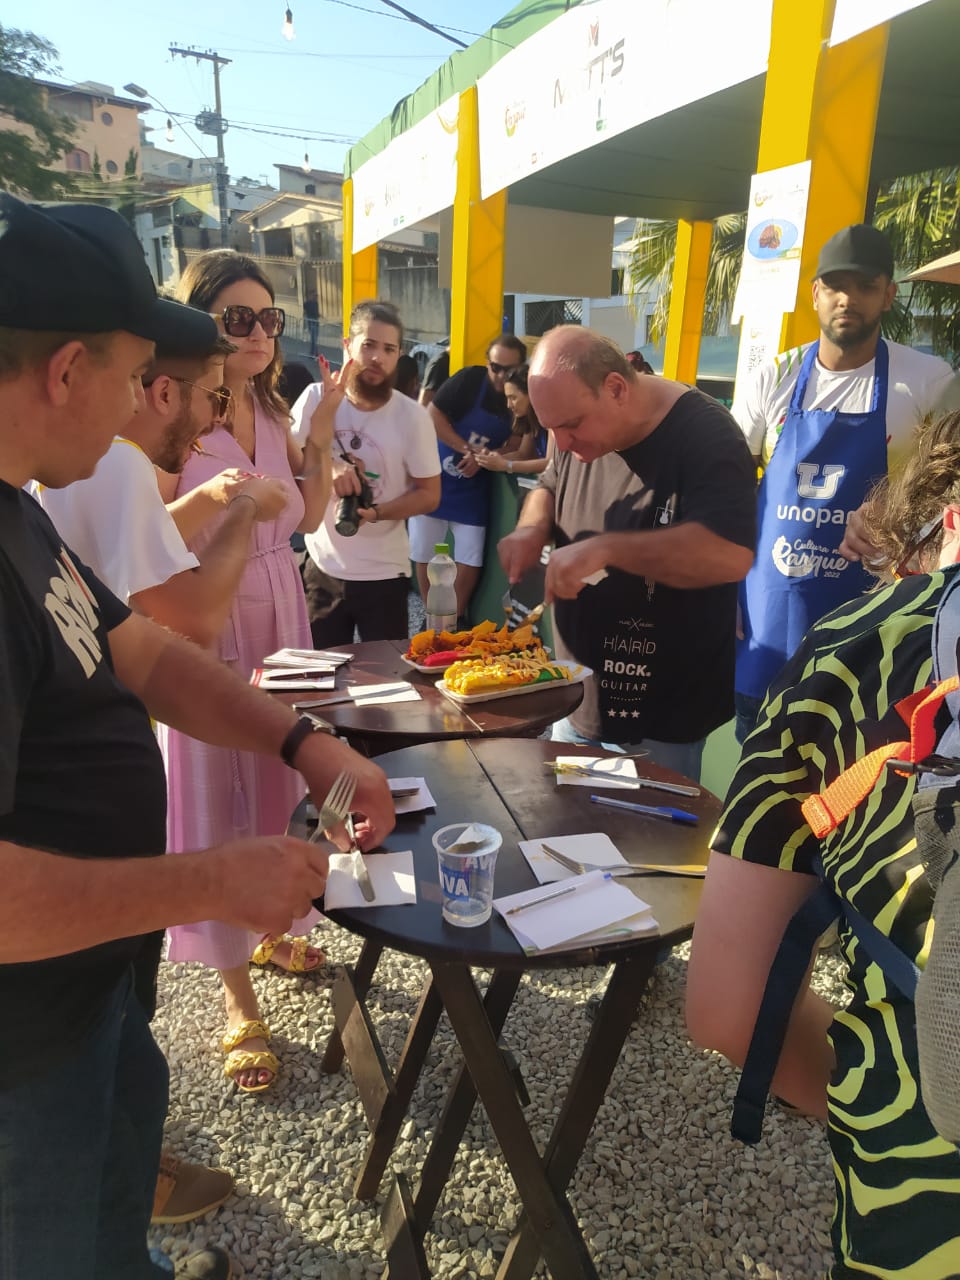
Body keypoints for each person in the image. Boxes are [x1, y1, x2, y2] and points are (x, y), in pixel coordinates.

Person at [0, 193, 393, 1280]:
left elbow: (139, 648)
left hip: (83, 991)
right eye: (137, 377)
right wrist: (208, 877)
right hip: (19, 1043)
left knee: (114, 1198)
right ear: (67, 370)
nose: (149, 406)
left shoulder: (21, 507)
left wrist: (307, 745)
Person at [687, 410, 960, 1280]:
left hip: (923, 1201)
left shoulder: (867, 643)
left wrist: (869, 1094)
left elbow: (727, 1008)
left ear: (943, 517)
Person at [157, 250, 337, 1095]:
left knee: (274, 782)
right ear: (200, 322)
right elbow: (145, 530)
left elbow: (311, 512)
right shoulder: (170, 414)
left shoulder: (270, 408)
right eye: (238, 318)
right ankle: (236, 997)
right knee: (213, 791)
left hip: (282, 613)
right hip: (210, 612)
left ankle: (265, 924)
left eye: (270, 319)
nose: (260, 333)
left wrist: (325, 427)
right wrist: (221, 503)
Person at [498, 326, 756, 782]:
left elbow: (730, 555)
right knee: (563, 835)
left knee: (647, 850)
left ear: (616, 387)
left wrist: (607, 549)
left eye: (572, 426)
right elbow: (549, 485)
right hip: (575, 695)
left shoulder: (707, 435)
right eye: (552, 429)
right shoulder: (568, 426)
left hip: (662, 719)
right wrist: (531, 528)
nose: (565, 444)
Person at [733, 223, 957, 743]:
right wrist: (725, 590)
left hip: (873, 623)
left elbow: (950, 491)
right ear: (815, 292)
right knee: (758, 772)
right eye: (834, 285)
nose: (846, 299)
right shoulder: (776, 374)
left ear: (889, 295)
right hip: (770, 618)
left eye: (864, 286)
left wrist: (899, 516)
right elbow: (730, 488)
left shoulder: (926, 379)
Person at [290, 299, 441, 646]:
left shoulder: (413, 418)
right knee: (318, 680)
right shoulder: (317, 397)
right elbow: (287, 458)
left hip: (384, 573)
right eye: (368, 345)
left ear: (398, 355)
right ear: (348, 346)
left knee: (387, 684)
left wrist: (376, 513)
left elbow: (429, 494)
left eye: (388, 349)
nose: (377, 357)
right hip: (321, 566)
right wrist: (333, 468)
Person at [410, 334, 527, 618]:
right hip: (436, 477)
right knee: (423, 550)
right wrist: (466, 449)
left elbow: (516, 444)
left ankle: (454, 614)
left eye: (509, 370)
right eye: (495, 367)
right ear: (487, 363)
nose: (500, 376)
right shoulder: (469, 381)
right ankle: (431, 615)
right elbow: (433, 414)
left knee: (470, 556)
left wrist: (486, 459)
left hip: (475, 488)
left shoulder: (524, 396)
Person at [475, 363, 554, 479]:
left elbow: (550, 463)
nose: (508, 405)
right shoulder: (530, 419)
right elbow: (523, 454)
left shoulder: (553, 420)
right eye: (507, 398)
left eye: (513, 398)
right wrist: (489, 459)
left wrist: (507, 465)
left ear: (531, 394)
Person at [303, 289, 320, 357]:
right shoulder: (307, 304)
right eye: (314, 296)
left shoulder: (316, 303)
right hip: (311, 323)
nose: (316, 297)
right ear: (310, 296)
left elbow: (316, 312)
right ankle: (314, 353)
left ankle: (313, 352)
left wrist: (319, 315)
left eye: (316, 296)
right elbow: (306, 313)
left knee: (315, 338)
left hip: (316, 322)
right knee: (313, 339)